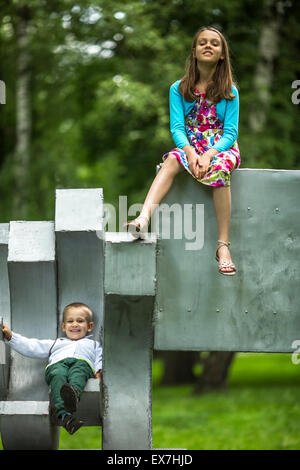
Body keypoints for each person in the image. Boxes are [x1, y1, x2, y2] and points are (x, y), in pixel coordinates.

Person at [126, 26, 240, 276]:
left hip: (220, 146)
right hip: (190, 143)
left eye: (214, 43)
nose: (208, 46)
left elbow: (231, 133)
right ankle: (143, 219)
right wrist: (189, 151)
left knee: (221, 170)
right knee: (171, 161)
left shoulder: (230, 91)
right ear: (194, 51)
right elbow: (177, 128)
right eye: (202, 43)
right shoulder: (178, 88)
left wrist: (210, 154)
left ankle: (223, 246)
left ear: (222, 54)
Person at [2, 302, 102, 435]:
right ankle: (64, 412)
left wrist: (98, 371)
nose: (75, 324)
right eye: (70, 321)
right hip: (58, 364)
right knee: (58, 376)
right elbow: (32, 346)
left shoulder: (94, 344)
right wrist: (11, 336)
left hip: (82, 364)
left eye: (80, 321)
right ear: (64, 326)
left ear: (89, 326)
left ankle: (71, 400)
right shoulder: (56, 343)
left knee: (78, 374)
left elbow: (99, 358)